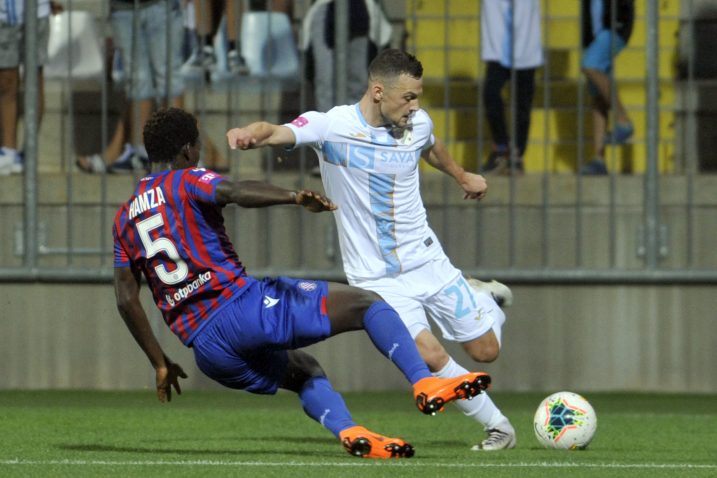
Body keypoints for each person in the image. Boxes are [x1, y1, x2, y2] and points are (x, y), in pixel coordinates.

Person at [113, 107, 491, 459]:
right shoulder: (187, 180)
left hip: (209, 351)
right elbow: (233, 192)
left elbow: (126, 298)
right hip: (243, 311)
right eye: (197, 144)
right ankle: (424, 382)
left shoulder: (124, 217)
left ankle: (350, 432)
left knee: (305, 370)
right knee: (367, 304)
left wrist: (159, 362)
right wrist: (293, 196)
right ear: (187, 149)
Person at [226, 49, 517, 451]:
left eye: (417, 96)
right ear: (378, 91)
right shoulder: (332, 126)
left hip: (426, 260)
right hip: (377, 277)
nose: (415, 106)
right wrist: (248, 136)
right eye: (409, 97)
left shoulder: (417, 123)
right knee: (428, 354)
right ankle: (499, 426)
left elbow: (430, 145)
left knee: (486, 351)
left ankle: (487, 301)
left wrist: (462, 175)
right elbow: (275, 131)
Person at [109, 0, 186, 173]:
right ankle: (140, 152)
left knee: (168, 77)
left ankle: (176, 151)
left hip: (161, 6)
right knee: (137, 80)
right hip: (123, 8)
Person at [479, 0, 543, 176]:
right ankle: (501, 147)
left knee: (522, 105)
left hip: (526, 47)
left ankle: (516, 155)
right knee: (490, 94)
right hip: (498, 49)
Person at [0, 0, 61, 175]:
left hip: (36, 12)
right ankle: (8, 150)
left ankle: (29, 151)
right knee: (5, 80)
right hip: (4, 12)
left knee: (34, 80)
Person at [579, 0, 635, 175]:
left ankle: (623, 120)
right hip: (595, 34)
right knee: (598, 98)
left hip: (614, 27)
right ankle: (599, 159)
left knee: (590, 66)